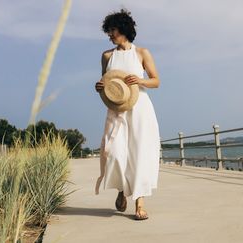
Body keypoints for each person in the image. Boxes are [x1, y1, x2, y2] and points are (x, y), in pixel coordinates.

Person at [94, 8, 161, 220]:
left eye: (112, 29)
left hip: (140, 107)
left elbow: (156, 81)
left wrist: (139, 80)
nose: (110, 34)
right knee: (114, 152)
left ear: (123, 29)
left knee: (139, 152)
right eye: (109, 30)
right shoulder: (107, 56)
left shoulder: (142, 53)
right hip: (116, 109)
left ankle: (139, 203)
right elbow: (107, 82)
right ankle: (122, 189)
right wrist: (99, 87)